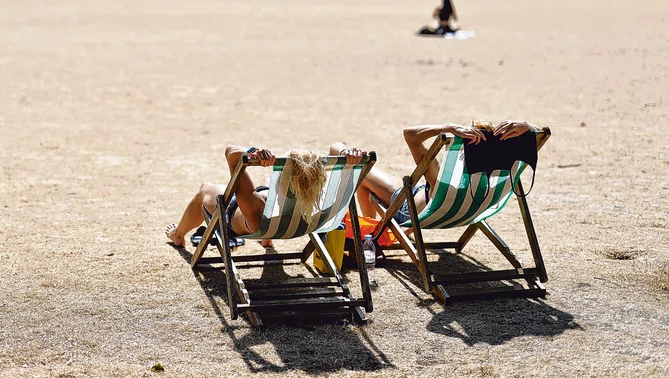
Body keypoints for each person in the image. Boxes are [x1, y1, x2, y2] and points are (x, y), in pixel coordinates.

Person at [166, 144, 367, 248]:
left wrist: (252, 152)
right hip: (298, 225)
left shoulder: (256, 209)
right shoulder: (320, 203)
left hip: (251, 221)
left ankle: (178, 234)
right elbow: (335, 146)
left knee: (206, 189)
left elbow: (230, 152)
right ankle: (268, 240)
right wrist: (346, 151)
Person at [353, 120, 537, 223]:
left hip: (407, 207)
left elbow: (409, 134)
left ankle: (371, 232)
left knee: (362, 170)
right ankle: (371, 228)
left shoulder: (442, 180)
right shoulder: (500, 175)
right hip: (468, 213)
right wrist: (528, 127)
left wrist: (449, 128)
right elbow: (536, 138)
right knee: (377, 183)